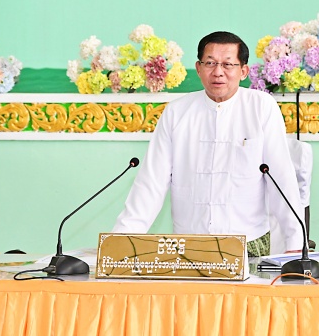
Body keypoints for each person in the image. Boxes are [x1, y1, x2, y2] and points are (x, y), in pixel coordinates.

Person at [113, 31, 304, 257]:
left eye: (228, 64)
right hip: (188, 244)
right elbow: (151, 182)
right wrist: (120, 242)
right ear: (199, 67)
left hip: (247, 244)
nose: (218, 72)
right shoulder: (177, 112)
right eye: (210, 63)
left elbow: (281, 178)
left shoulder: (261, 107)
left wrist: (295, 244)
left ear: (243, 71)